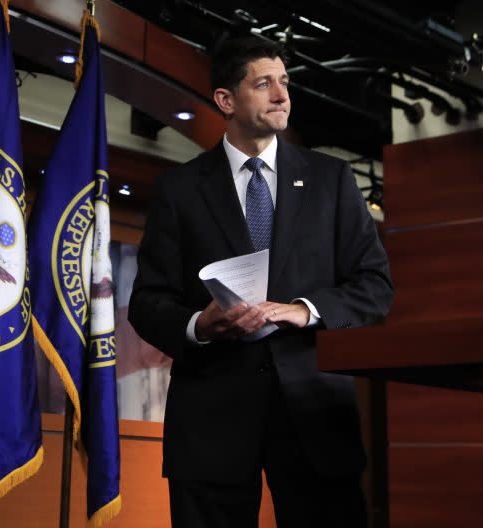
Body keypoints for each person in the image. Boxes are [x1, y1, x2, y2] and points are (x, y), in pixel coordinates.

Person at [128, 36, 394, 528]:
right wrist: (200, 325)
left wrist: (303, 308)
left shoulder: (332, 180)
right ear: (226, 101)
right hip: (212, 420)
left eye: (285, 83)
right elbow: (147, 302)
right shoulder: (179, 190)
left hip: (315, 413)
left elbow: (375, 286)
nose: (281, 95)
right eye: (264, 83)